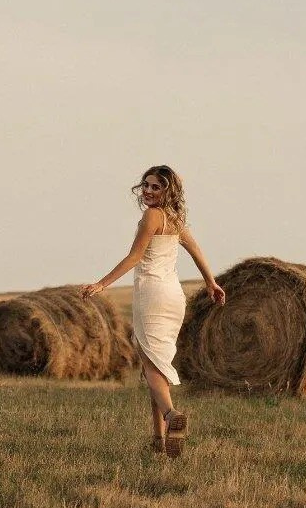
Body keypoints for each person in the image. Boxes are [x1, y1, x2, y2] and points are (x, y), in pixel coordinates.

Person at [82, 165, 225, 456]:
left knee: (151, 367)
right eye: (146, 185)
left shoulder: (152, 216)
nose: (148, 191)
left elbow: (134, 257)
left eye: (155, 187)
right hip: (173, 296)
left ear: (167, 191)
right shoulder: (175, 218)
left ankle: (172, 416)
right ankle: (158, 441)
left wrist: (102, 284)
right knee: (156, 368)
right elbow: (197, 251)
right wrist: (211, 283)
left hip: (152, 295)